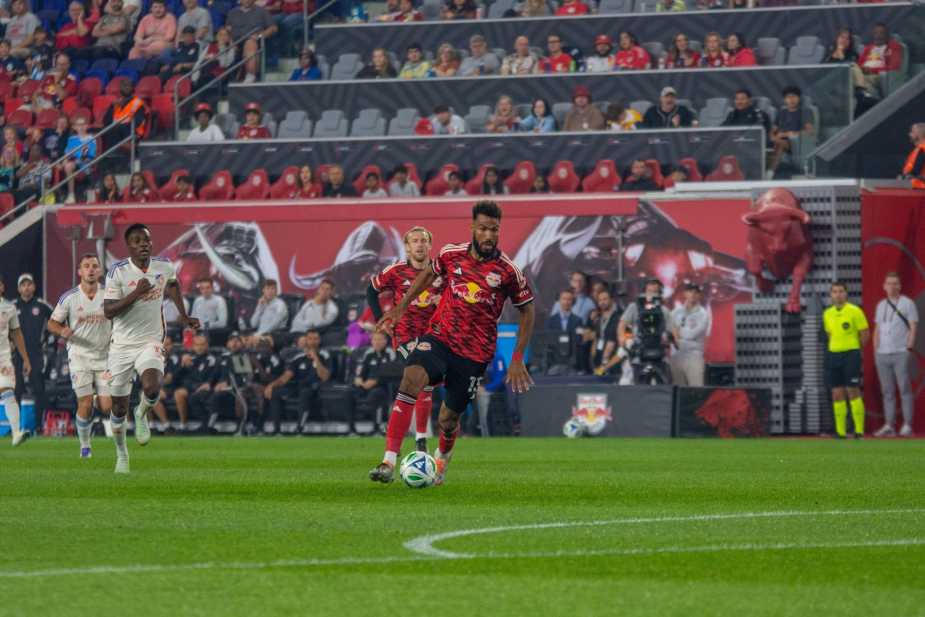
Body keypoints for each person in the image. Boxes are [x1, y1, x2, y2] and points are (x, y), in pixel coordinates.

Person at [370, 202, 535, 485]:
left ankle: (442, 459)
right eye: (483, 228)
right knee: (411, 378)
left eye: (494, 230)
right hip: (440, 337)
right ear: (472, 227)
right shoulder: (451, 254)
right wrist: (401, 307)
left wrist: (517, 357)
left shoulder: (508, 271)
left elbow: (528, 310)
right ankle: (388, 460)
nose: (488, 235)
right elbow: (427, 275)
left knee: (448, 419)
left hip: (474, 354)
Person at [103, 224, 200, 473]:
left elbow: (173, 284)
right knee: (117, 408)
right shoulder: (118, 272)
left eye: (146, 240)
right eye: (137, 241)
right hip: (121, 346)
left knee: (152, 386)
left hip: (151, 340)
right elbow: (108, 311)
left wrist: (184, 315)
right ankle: (122, 454)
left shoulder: (164, 266)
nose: (144, 244)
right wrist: (135, 293)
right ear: (129, 246)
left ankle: (142, 411)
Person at [47, 254, 113, 457]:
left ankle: (95, 397)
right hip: (79, 356)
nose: (91, 269)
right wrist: (61, 331)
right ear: (80, 271)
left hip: (104, 357)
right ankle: (85, 446)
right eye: (86, 266)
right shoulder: (70, 298)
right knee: (84, 403)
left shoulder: (110, 296)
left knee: (107, 406)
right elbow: (52, 323)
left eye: (94, 266)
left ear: (100, 271)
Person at [873, 273, 917, 437]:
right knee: (887, 391)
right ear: (884, 286)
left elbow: (913, 325)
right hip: (882, 354)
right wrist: (875, 348)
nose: (892, 286)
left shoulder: (907, 303)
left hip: (900, 352)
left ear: (900, 286)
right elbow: (877, 328)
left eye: (895, 283)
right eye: (889, 283)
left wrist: (909, 346)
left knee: (904, 389)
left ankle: (907, 424)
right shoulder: (881, 305)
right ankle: (889, 425)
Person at [823, 281, 869, 439]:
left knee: (853, 390)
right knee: (836, 393)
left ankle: (859, 431)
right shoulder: (827, 313)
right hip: (833, 355)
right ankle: (841, 432)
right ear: (831, 295)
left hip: (851, 354)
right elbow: (830, 335)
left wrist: (856, 350)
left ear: (846, 293)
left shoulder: (855, 311)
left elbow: (865, 334)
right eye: (834, 291)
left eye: (841, 291)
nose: (838, 294)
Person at [263, 329, 331, 434]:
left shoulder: (325, 355)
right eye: (310, 339)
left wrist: (316, 358)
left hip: (316, 387)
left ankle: (300, 428)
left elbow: (324, 377)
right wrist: (272, 385)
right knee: (275, 392)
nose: (312, 342)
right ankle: (276, 430)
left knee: (305, 392)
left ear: (319, 341)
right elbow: (286, 376)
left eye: (315, 339)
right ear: (306, 340)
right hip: (298, 386)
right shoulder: (298, 357)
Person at [11, 272, 51, 430]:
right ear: (19, 288)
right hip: (17, 355)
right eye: (23, 285)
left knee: (39, 389)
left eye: (29, 284)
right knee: (16, 390)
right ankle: (16, 428)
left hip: (36, 354)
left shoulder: (41, 305)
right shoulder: (12, 306)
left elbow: (57, 320)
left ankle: (38, 427)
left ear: (34, 287)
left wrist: (47, 340)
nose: (26, 288)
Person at [0, 278, 31, 446]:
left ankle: (16, 433)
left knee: (8, 392)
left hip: (3, 358)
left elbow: (17, 334)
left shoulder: (9, 308)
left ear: (2, 287)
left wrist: (26, 359)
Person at [351, 330, 396, 433]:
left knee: (376, 394)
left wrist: (375, 381)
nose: (377, 342)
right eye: (375, 339)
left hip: (384, 386)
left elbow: (392, 373)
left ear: (385, 341)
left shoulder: (390, 353)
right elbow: (361, 370)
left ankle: (377, 427)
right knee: (349, 393)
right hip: (366, 385)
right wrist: (358, 379)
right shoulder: (368, 354)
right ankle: (351, 429)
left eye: (380, 339)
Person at [172, 333, 218, 431]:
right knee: (178, 393)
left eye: (202, 344)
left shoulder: (211, 359)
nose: (200, 347)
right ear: (193, 346)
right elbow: (174, 379)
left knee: (197, 395)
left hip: (205, 388)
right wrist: (183, 366)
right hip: (191, 387)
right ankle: (183, 425)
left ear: (207, 346)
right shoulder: (188, 359)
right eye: (197, 345)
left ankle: (206, 424)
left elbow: (209, 378)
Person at [225, 0, 277, 83]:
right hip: (236, 43)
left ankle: (250, 76)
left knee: (250, 43)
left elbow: (273, 28)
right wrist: (231, 42)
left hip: (255, 41)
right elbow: (227, 28)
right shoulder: (232, 12)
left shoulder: (262, 11)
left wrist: (260, 35)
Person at [768, 86, 815, 176]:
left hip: (796, 143)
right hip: (780, 140)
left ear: (799, 98)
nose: (791, 99)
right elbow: (773, 130)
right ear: (784, 100)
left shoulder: (805, 112)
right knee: (775, 143)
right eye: (788, 97)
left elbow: (809, 131)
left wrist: (788, 134)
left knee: (780, 144)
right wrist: (773, 137)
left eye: (794, 96)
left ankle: (770, 173)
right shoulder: (782, 112)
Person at [669, 283, 710, 386]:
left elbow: (691, 335)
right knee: (677, 390)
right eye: (690, 291)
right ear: (685, 294)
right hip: (676, 356)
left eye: (696, 292)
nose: (693, 294)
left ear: (700, 295)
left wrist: (677, 331)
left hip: (694, 357)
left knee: (696, 391)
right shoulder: (676, 312)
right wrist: (674, 331)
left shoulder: (703, 314)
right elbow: (668, 330)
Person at [858, 23, 903, 101]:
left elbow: (893, 67)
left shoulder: (894, 47)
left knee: (861, 82)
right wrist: (862, 69)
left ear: (887, 35)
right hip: (863, 74)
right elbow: (859, 64)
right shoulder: (868, 48)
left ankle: (875, 102)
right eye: (876, 33)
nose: (878, 36)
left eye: (881, 33)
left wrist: (872, 70)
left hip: (878, 76)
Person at [102, 79, 148, 147]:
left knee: (116, 130)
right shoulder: (116, 103)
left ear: (133, 88)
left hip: (133, 132)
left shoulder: (137, 103)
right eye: (123, 85)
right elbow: (106, 121)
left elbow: (138, 122)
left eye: (128, 85)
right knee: (102, 130)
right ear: (120, 89)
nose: (125, 87)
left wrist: (119, 127)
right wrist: (111, 107)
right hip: (117, 130)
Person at [587, 286, 619, 374]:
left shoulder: (617, 318)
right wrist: (592, 361)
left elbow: (611, 343)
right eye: (600, 300)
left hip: (613, 363)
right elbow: (596, 339)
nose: (602, 302)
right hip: (599, 361)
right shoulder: (599, 319)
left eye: (605, 299)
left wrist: (604, 364)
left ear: (612, 300)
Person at [901, 122, 925, 189]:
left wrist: (907, 176)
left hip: (919, 188)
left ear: (919, 134)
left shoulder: (922, 149)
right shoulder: (919, 149)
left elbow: (916, 171)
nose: (909, 134)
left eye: (912, 132)